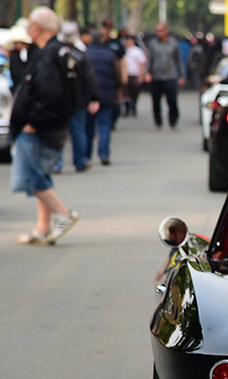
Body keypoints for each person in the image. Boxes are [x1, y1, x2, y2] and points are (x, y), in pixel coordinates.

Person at [9, 7, 79, 245]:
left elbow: (50, 94)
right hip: (52, 125)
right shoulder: (59, 52)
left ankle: (64, 214)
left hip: (39, 127)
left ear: (37, 28)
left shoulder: (49, 54)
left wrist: (32, 123)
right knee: (41, 175)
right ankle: (42, 228)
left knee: (29, 177)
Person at [53, 20, 100, 173]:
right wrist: (94, 97)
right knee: (78, 131)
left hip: (60, 100)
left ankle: (57, 163)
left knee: (59, 131)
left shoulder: (55, 54)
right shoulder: (80, 55)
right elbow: (90, 78)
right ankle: (80, 161)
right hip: (77, 100)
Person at [86, 30, 121, 166]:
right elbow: (118, 75)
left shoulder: (86, 54)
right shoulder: (110, 54)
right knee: (105, 125)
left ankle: (86, 155)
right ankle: (104, 153)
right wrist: (118, 91)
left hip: (90, 95)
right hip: (107, 94)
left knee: (88, 127)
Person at [145, 22, 185, 129]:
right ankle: (158, 120)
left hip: (170, 76)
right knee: (156, 101)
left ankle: (173, 120)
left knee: (172, 100)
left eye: (160, 31)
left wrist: (181, 76)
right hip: (156, 77)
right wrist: (147, 73)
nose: (158, 33)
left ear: (166, 31)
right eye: (157, 31)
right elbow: (149, 60)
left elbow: (178, 60)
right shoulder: (153, 44)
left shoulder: (173, 44)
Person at [122, 34, 147, 116]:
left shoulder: (137, 51)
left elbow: (142, 64)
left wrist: (141, 75)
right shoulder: (123, 51)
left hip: (135, 75)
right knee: (126, 93)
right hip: (126, 74)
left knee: (134, 92)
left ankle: (134, 107)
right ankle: (127, 108)